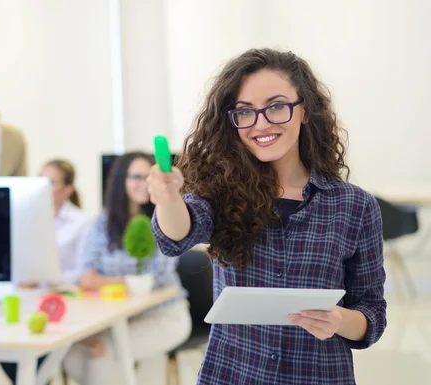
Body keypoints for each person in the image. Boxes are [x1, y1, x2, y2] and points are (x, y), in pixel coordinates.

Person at [148, 48, 387, 385]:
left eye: (276, 107)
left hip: (318, 375)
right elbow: (176, 236)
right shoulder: (220, 191)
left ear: (304, 111)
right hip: (232, 374)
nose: (261, 124)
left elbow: (372, 313)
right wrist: (169, 198)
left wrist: (338, 320)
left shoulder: (354, 206)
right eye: (245, 112)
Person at [63, 152, 191, 385]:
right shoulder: (104, 221)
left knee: (102, 353)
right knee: (72, 354)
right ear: (121, 179)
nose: (142, 184)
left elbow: (155, 277)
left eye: (147, 177)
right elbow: (86, 274)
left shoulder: (165, 217)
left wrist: (104, 280)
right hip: (117, 318)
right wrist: (126, 280)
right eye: (135, 177)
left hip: (163, 316)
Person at [0, 159, 91, 384]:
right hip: (27, 300)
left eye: (50, 182)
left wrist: (46, 279)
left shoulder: (81, 222)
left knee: (39, 356)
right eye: (39, 179)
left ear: (67, 189)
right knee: (7, 349)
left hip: (63, 302)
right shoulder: (23, 217)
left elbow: (82, 273)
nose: (42, 186)